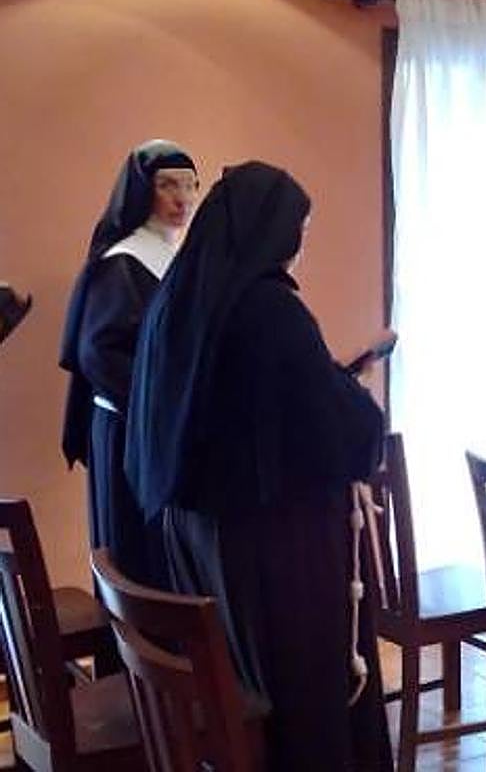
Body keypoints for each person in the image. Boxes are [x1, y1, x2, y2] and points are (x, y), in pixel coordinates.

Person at [124, 161, 390, 771]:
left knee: (245, 674)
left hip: (202, 533)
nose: (300, 245)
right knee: (301, 696)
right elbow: (341, 428)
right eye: (300, 228)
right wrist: (358, 406)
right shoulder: (269, 308)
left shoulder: (182, 295)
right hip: (275, 547)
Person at [59, 139, 199, 587]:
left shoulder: (180, 256)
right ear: (143, 192)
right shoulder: (122, 262)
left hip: (163, 428)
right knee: (133, 554)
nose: (182, 199)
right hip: (128, 430)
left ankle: (172, 652)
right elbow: (98, 353)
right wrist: (160, 402)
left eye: (190, 186)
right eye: (167, 186)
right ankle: (137, 655)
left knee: (167, 555)